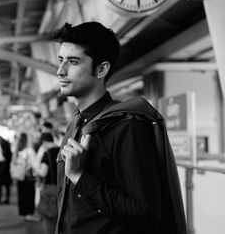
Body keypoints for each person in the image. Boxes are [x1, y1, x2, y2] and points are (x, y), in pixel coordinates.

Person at [51, 22, 187, 234]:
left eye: (73, 61)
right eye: (60, 60)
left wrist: (80, 177)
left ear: (101, 69)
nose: (60, 71)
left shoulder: (127, 124)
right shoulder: (75, 125)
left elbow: (147, 214)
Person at [33, 132, 60, 234]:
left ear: (44, 142)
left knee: (49, 217)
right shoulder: (62, 149)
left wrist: (36, 168)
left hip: (50, 188)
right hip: (63, 188)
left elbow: (43, 173)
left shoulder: (47, 153)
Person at [11, 132, 39, 221]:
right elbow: (34, 163)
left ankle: (23, 213)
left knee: (22, 195)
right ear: (27, 140)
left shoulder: (17, 150)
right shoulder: (29, 151)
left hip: (19, 176)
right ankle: (29, 214)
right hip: (28, 176)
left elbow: (13, 163)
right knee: (29, 194)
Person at [0, 135, 12, 204]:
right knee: (5, 183)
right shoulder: (3, 143)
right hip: (3, 165)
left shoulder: (1, 144)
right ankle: (5, 199)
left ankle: (0, 199)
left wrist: (3, 163)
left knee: (0, 183)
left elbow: (7, 154)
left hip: (2, 165)